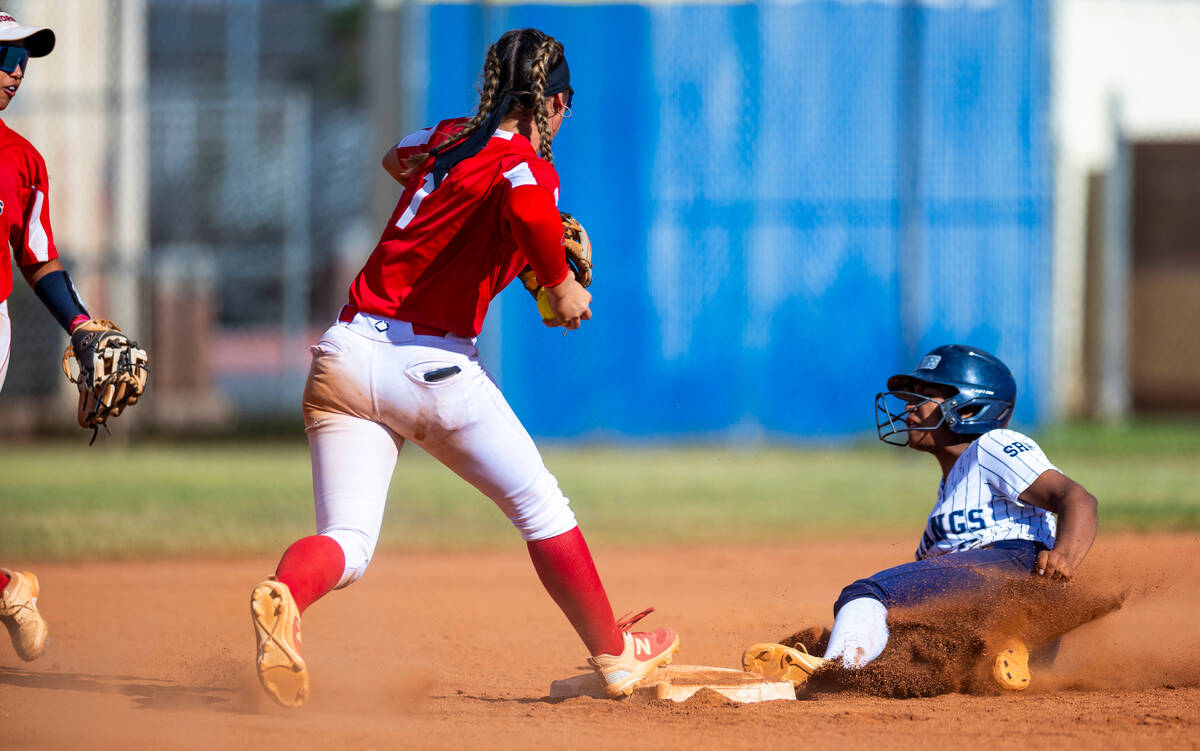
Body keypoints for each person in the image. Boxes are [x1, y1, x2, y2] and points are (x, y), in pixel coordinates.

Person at [249, 28, 678, 707]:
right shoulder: (528, 168)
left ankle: (287, 593)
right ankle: (614, 651)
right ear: (556, 102)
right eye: (565, 106)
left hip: (345, 352)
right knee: (540, 505)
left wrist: (477, 218)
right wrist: (559, 283)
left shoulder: (446, 137)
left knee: (349, 542)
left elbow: (397, 158)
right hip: (430, 365)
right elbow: (539, 232)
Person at [743, 344, 1099, 691]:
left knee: (867, 594)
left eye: (923, 398)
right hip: (994, 610)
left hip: (1014, 565)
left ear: (971, 406)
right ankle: (1002, 658)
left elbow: (1077, 499)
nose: (909, 409)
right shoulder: (946, 500)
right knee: (908, 642)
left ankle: (836, 669)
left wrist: (1064, 557)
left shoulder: (993, 446)